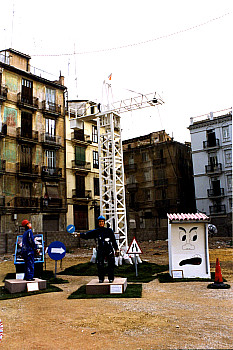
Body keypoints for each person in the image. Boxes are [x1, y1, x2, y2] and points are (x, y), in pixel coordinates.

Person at [77, 216, 119, 283]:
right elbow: (87, 235)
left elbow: (113, 241)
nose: (101, 223)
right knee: (100, 264)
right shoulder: (96, 231)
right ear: (98, 223)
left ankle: (111, 278)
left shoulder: (109, 231)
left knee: (111, 264)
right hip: (100, 250)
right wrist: (79, 235)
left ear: (104, 222)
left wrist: (116, 249)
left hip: (109, 250)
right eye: (100, 222)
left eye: (102, 221)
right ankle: (101, 278)